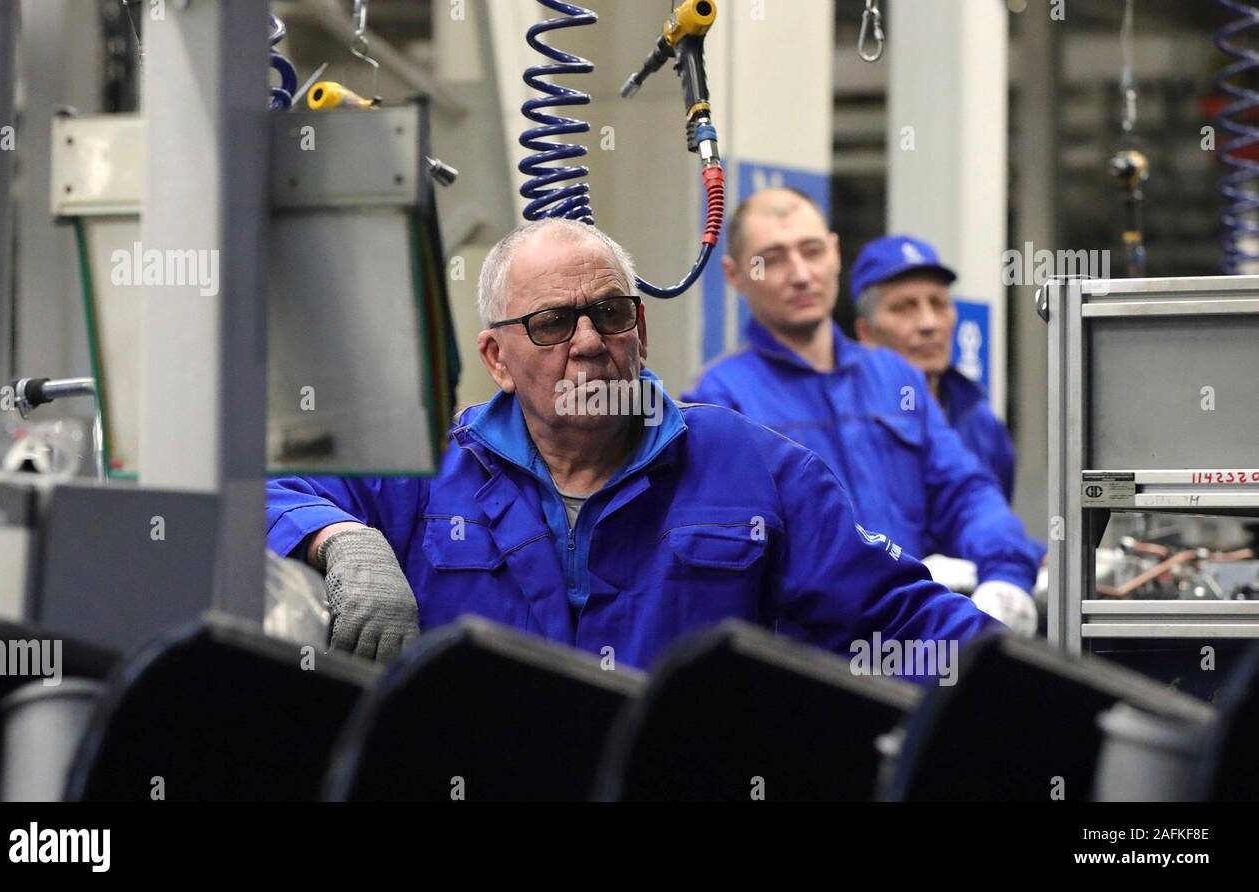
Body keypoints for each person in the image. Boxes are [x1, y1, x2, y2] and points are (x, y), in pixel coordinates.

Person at [265, 217, 1002, 670]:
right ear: (496, 359)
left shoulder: (753, 467)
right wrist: (341, 539)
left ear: (640, 333)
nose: (587, 343)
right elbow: (262, 486)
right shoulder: (426, 470)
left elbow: (901, 620)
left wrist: (1040, 690)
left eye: (609, 313)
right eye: (551, 324)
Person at [682, 188, 1039, 634]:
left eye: (812, 252)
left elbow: (965, 491)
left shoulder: (895, 377)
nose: (800, 274)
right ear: (734, 275)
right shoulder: (719, 400)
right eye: (772, 258)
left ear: (834, 253)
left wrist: (1005, 575)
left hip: (918, 639)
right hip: (813, 663)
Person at [850, 234, 1016, 500]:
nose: (929, 324)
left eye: (938, 304)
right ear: (866, 332)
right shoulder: (844, 424)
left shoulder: (982, 424)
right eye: (905, 307)